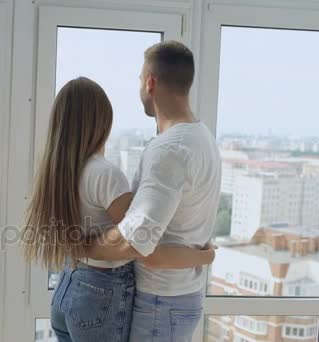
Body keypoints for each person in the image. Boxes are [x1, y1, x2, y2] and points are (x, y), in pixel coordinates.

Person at [22, 76, 216, 342]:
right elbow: (140, 244)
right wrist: (204, 257)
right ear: (102, 122)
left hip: (67, 287)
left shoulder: (57, 173)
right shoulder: (105, 175)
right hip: (100, 294)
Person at [86, 41, 222, 342]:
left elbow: (138, 245)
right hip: (181, 295)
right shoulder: (203, 138)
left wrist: (79, 246)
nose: (139, 88)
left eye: (139, 79)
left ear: (150, 82)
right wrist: (204, 257)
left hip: (161, 301)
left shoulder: (169, 149)